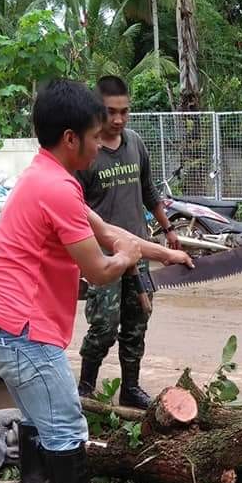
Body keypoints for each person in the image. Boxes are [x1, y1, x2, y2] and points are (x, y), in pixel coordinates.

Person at [0, 79, 192, 483]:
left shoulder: (48, 178)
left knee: (36, 422)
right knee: (68, 428)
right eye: (94, 136)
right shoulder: (55, 188)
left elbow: (110, 230)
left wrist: (165, 254)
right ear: (70, 138)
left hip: (3, 330)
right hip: (23, 335)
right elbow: (99, 269)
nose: (101, 144)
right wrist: (131, 257)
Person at [77, 75, 182, 407]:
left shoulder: (135, 143)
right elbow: (74, 210)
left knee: (137, 326)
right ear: (98, 110)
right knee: (104, 327)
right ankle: (85, 388)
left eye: (125, 111)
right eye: (111, 112)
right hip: (103, 257)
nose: (119, 119)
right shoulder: (86, 153)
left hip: (139, 252)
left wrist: (168, 230)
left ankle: (131, 389)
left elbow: (149, 191)